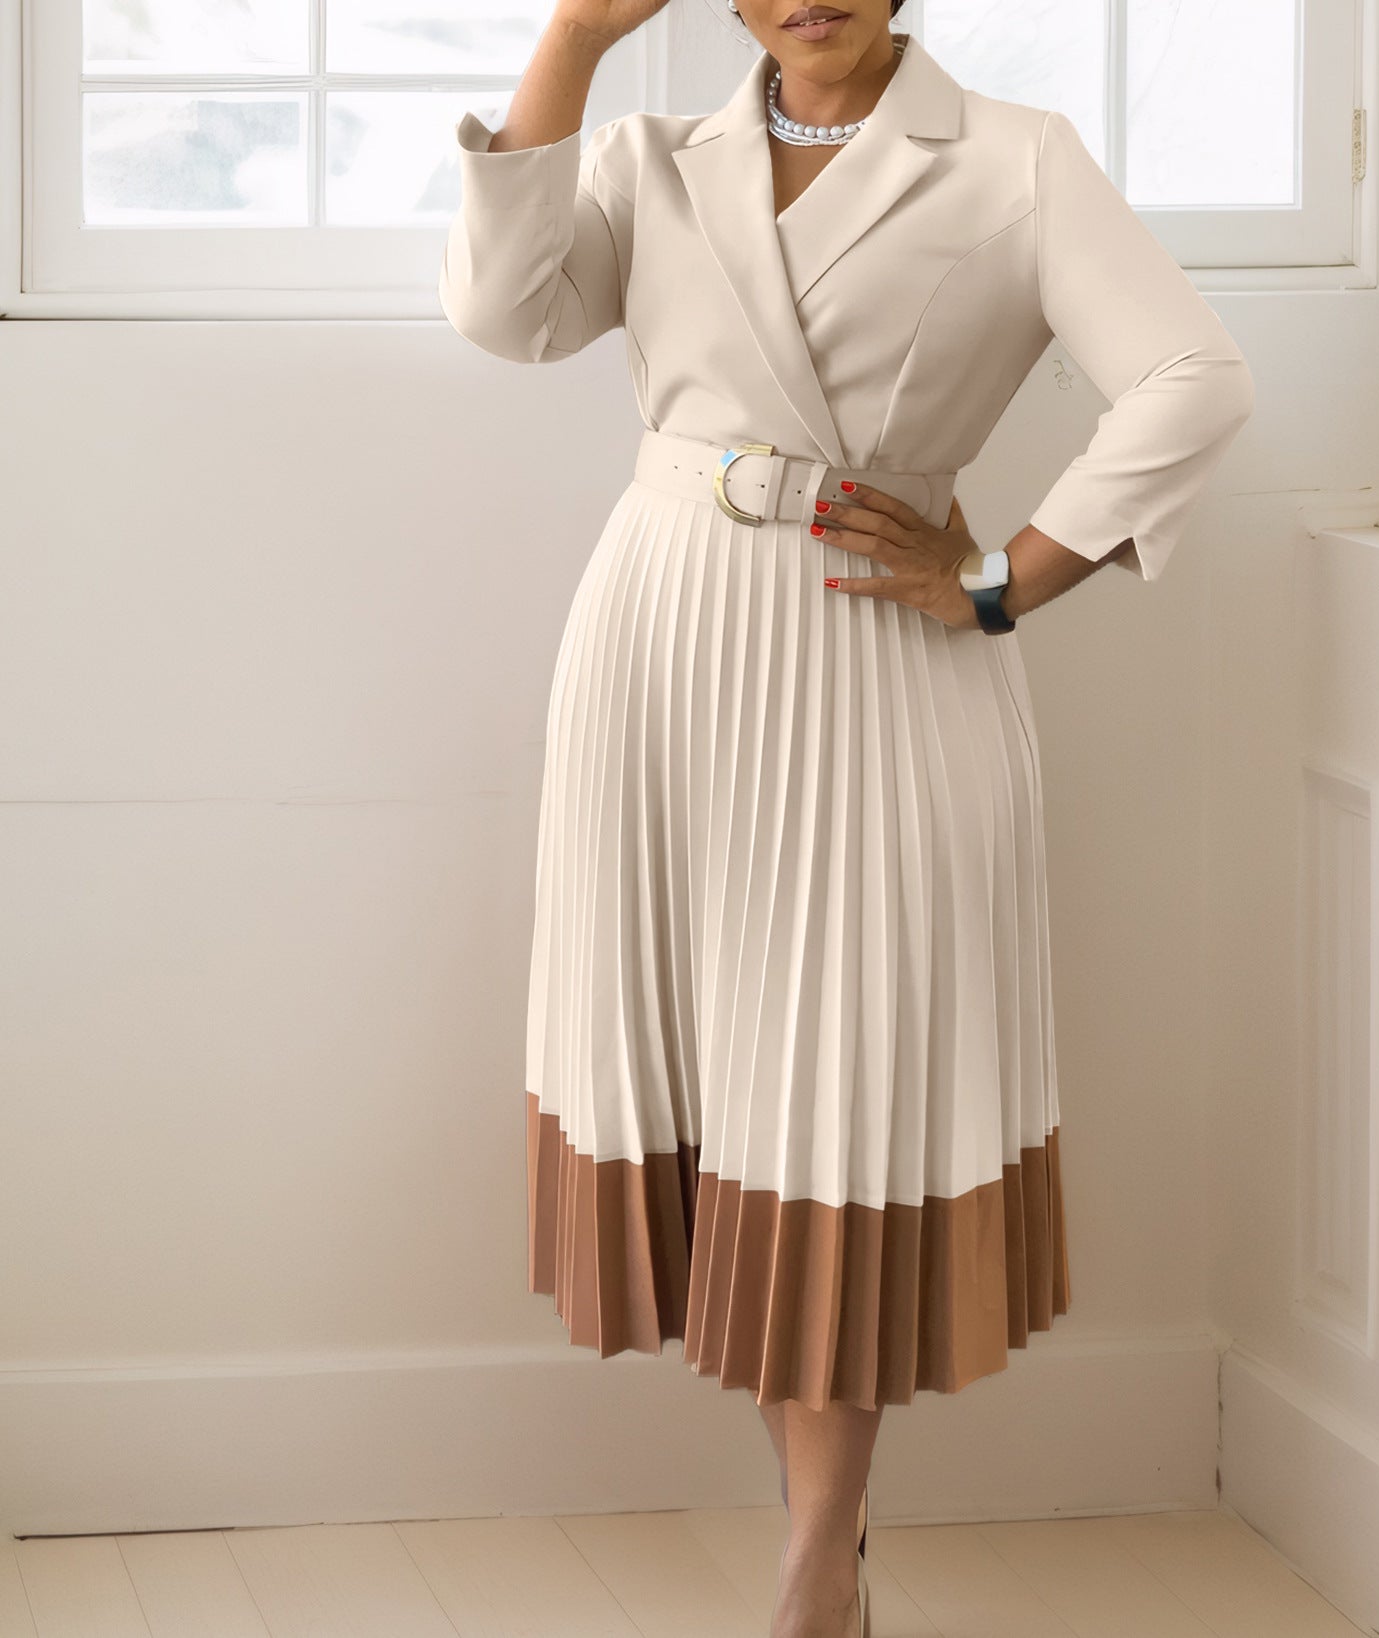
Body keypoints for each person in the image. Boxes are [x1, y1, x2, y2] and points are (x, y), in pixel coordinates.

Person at [438, 1, 1254, 1632]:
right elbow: (502, 312)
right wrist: (579, 39)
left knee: (833, 1106)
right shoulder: (652, 158)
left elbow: (1192, 375)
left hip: (877, 653)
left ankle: (819, 1556)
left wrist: (1008, 580)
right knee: (725, 1107)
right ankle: (830, 1542)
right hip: (661, 647)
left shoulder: (1016, 160)